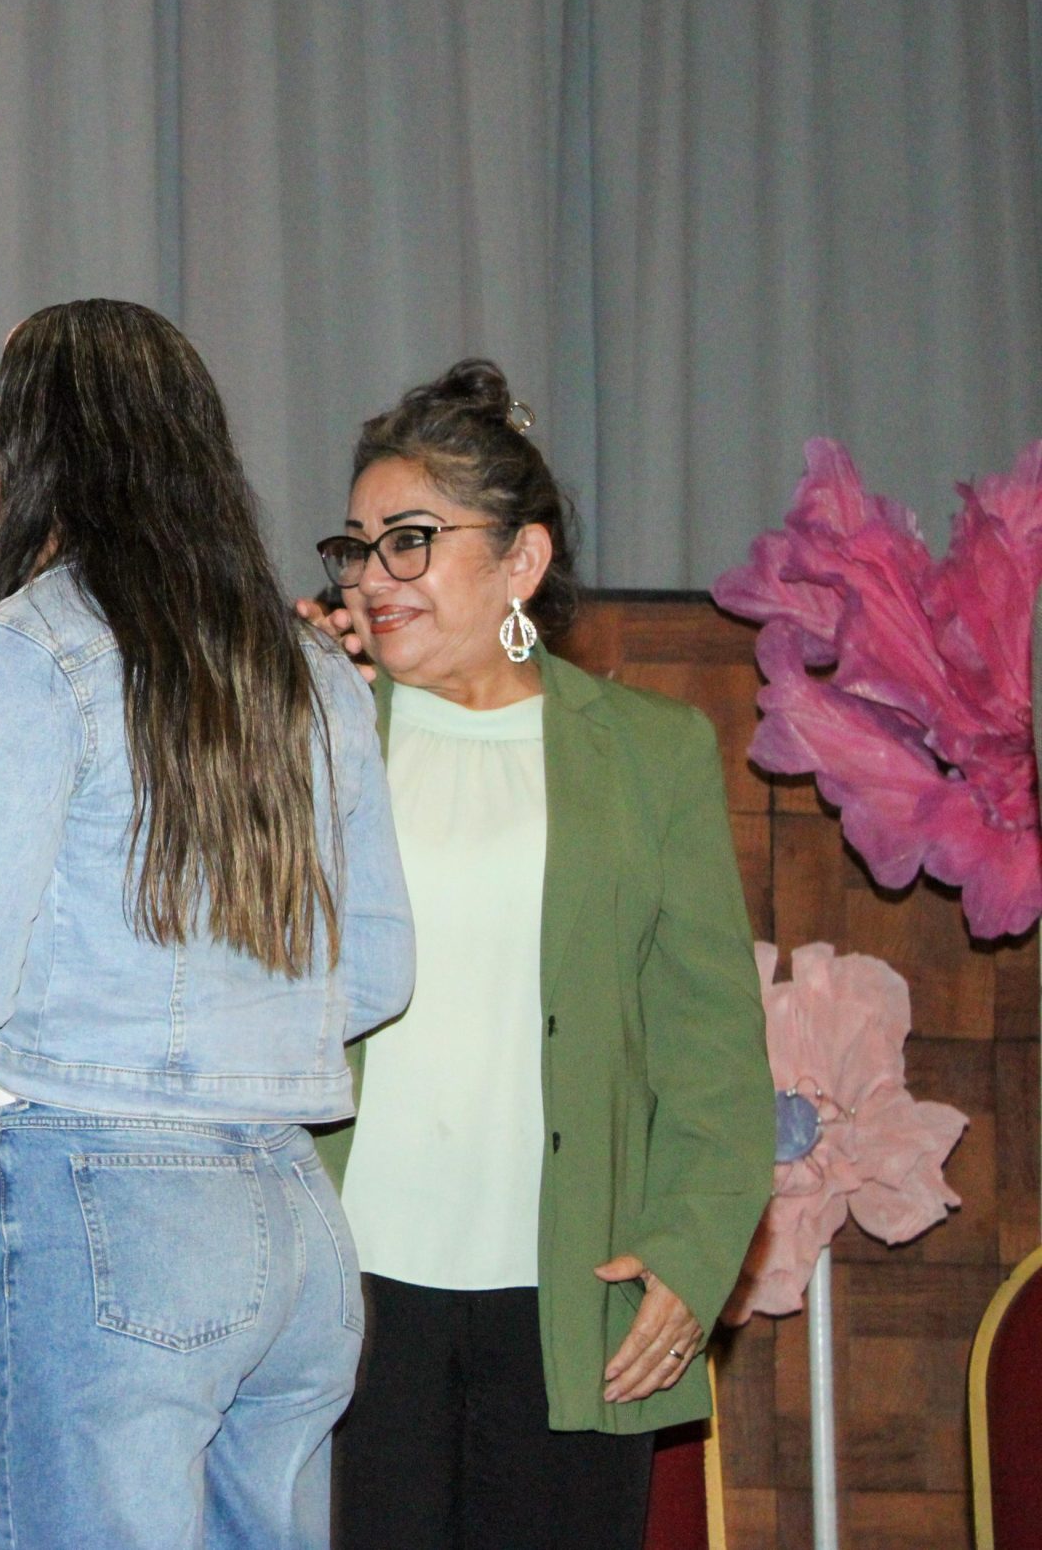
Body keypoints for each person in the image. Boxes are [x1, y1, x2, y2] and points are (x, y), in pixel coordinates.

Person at [0, 300, 416, 1549]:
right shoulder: (313, 668)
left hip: (100, 1205)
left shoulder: (22, 652)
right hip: (293, 1217)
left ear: (36, 461)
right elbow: (375, 967)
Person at [301, 360, 773, 1549]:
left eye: (410, 540)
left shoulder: (651, 754)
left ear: (520, 560)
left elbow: (712, 1049)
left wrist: (693, 1251)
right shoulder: (315, 735)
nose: (372, 575)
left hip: (572, 1296)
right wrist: (290, 701)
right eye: (357, 547)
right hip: (345, 1291)